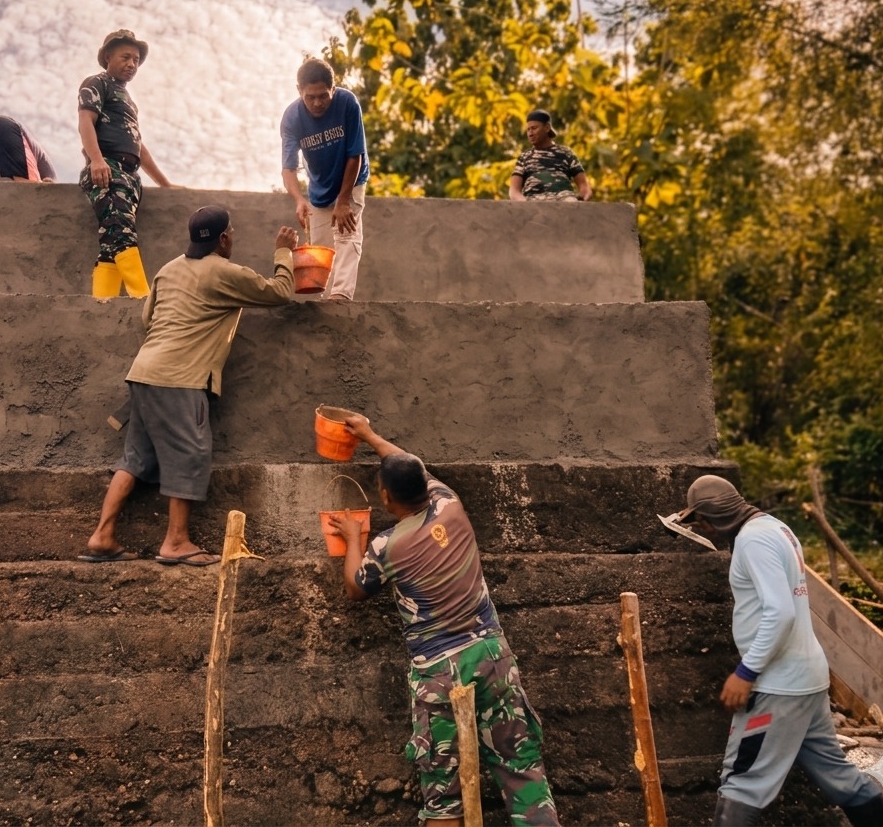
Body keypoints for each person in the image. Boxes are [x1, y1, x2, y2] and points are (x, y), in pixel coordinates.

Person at [326, 413, 561, 826]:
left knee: (443, 796)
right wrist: (369, 434)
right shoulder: (449, 504)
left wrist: (352, 539)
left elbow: (355, 589)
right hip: (491, 657)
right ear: (424, 486)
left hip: (439, 673)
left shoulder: (385, 546)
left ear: (384, 497)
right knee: (525, 777)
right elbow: (409, 462)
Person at [81, 206, 299, 566]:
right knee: (190, 453)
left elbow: (146, 317)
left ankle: (102, 536)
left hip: (144, 372)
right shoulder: (225, 272)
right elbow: (279, 292)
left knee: (135, 458)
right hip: (180, 379)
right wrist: (283, 251)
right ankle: (176, 542)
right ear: (224, 239)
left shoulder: (168, 270)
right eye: (232, 233)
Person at [674, 475, 883, 827]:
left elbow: (781, 611)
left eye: (703, 521)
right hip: (807, 678)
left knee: (743, 780)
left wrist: (746, 672)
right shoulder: (776, 528)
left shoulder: (752, 540)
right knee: (839, 777)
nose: (704, 530)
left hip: (777, 685)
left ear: (715, 517)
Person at [78, 29, 173, 300]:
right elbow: (86, 121)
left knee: (112, 242)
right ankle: (144, 299)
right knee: (122, 235)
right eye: (126, 57)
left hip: (129, 177)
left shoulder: (128, 100)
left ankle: (102, 302)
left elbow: (138, 145)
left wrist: (165, 184)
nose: (132, 64)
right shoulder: (97, 82)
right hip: (107, 169)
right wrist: (96, 159)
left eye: (136, 60)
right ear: (108, 55)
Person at [280, 57, 369, 300]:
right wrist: (299, 199)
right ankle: (325, 301)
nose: (317, 103)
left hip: (351, 179)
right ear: (299, 91)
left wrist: (343, 201)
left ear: (333, 88)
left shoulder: (347, 103)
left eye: (323, 96)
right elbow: (288, 168)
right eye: (310, 97)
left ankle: (340, 297)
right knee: (321, 249)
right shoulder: (292, 118)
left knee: (346, 233)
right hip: (319, 188)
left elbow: (355, 154)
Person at [508, 110, 592, 203]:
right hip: (534, 202)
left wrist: (581, 202)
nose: (530, 133)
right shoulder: (524, 157)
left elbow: (584, 186)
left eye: (534, 128)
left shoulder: (566, 153)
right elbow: (514, 191)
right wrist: (526, 204)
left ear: (547, 128)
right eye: (528, 129)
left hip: (565, 202)